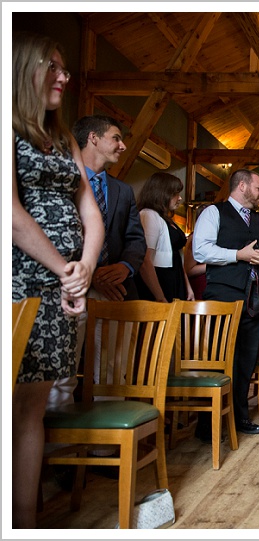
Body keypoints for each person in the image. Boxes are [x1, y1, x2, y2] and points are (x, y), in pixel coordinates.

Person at [11, 31, 104, 528]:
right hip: (22, 278)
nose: (65, 76)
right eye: (54, 66)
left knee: (33, 404)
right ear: (25, 68)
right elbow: (10, 212)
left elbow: (89, 209)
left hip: (65, 287)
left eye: (65, 68)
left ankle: (26, 523)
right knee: (13, 399)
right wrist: (64, 268)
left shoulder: (62, 135)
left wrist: (84, 266)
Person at [47, 114, 147, 411]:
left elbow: (136, 241)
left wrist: (124, 268)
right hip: (69, 287)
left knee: (112, 372)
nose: (123, 145)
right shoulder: (63, 181)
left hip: (114, 290)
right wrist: (89, 274)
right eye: (116, 138)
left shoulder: (123, 191)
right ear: (93, 138)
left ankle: (103, 450)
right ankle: (60, 448)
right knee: (60, 373)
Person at [193, 169, 259, 436]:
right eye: (258, 188)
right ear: (242, 186)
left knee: (246, 359)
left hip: (255, 298)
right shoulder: (213, 213)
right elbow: (200, 249)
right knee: (219, 359)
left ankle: (239, 417)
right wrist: (238, 255)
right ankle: (208, 426)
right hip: (223, 297)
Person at [134, 172, 194, 303]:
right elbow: (145, 260)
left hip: (175, 278)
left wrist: (187, 286)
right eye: (175, 194)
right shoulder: (148, 215)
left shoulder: (166, 219)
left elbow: (177, 256)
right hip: (160, 280)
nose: (179, 198)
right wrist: (159, 296)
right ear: (161, 193)